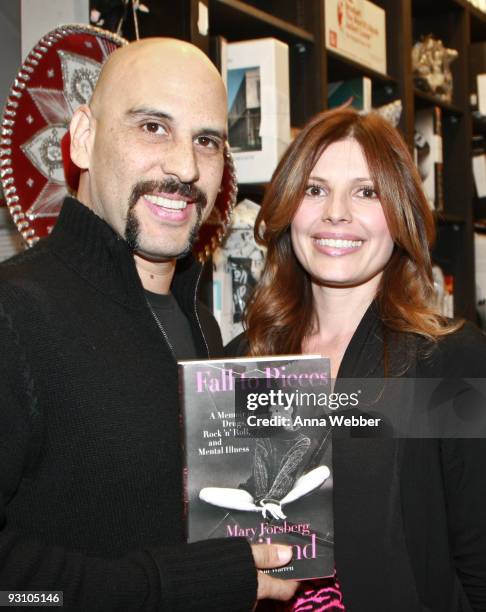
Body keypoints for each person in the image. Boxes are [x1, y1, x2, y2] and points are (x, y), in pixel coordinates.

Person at [0, 38, 299, 610]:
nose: (185, 167)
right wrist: (169, 586)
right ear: (83, 138)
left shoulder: (202, 325)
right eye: (153, 127)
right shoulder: (15, 316)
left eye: (206, 140)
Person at [228, 107, 486, 611]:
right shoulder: (247, 362)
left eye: (366, 192)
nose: (336, 213)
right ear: (287, 208)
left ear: (400, 212)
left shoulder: (453, 361)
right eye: (314, 189)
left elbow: (479, 564)